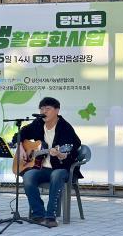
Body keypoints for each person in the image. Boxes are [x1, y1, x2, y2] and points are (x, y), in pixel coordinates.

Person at [17, 97, 81, 228]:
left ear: (57, 110)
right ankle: (38, 214)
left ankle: (51, 216)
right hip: (42, 168)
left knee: (56, 175)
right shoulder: (38, 123)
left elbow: (74, 149)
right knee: (28, 176)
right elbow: (20, 133)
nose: (44, 111)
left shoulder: (65, 128)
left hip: (62, 168)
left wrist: (60, 154)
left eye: (47, 109)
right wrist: (21, 148)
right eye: (41, 109)